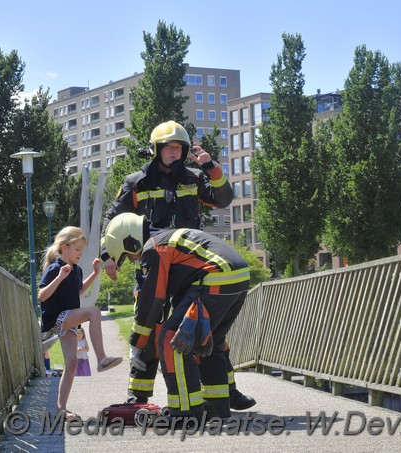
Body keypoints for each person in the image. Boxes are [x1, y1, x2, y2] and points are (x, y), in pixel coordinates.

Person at [100, 120, 254, 410]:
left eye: (178, 148)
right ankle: (139, 395)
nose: (173, 152)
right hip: (151, 262)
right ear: (155, 150)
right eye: (168, 147)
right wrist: (108, 255)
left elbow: (223, 199)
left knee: (204, 328)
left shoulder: (195, 178)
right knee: (149, 326)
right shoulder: (136, 183)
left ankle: (226, 390)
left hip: (189, 267)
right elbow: (113, 220)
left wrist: (211, 167)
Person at [104, 213, 250, 422]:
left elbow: (153, 297)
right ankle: (218, 406)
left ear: (131, 241)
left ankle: (184, 412)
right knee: (209, 339)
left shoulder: (154, 247)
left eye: (128, 255)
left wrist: (137, 342)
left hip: (216, 276)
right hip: (239, 277)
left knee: (172, 339)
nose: (134, 260)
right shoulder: (169, 239)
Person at [39, 226, 123, 421]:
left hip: (67, 321)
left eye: (82, 250)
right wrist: (60, 277)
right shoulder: (55, 269)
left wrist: (94, 274)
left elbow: (77, 292)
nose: (80, 253)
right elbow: (42, 297)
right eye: (77, 249)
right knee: (93, 312)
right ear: (64, 247)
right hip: (56, 319)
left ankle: (61, 410)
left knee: (72, 363)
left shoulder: (76, 270)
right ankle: (101, 358)